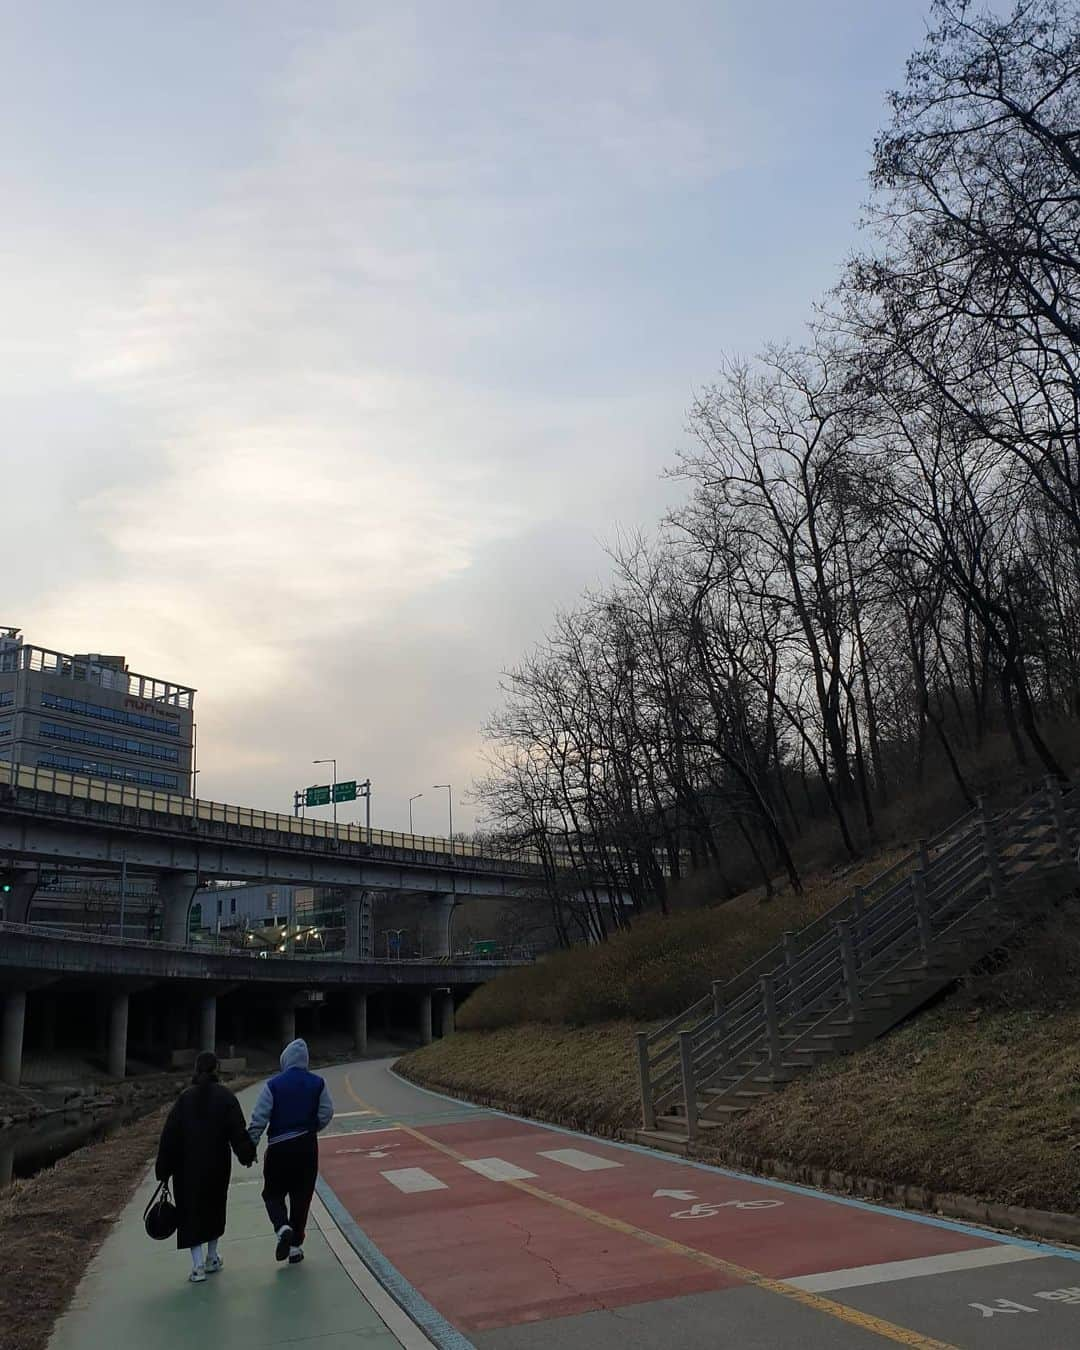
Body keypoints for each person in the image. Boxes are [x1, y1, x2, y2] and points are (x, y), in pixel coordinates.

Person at [155, 1050, 256, 1284]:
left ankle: (197, 1265)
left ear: (196, 1070)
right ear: (216, 1070)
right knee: (214, 1209)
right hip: (217, 1164)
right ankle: (212, 1257)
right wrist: (247, 1155)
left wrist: (163, 1170)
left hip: (186, 1168)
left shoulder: (184, 1100)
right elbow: (238, 1133)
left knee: (190, 1213)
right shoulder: (226, 1097)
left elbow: (169, 1137)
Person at [248, 1038, 335, 1265]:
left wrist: (250, 1145)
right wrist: (313, 1127)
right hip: (306, 1147)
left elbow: (259, 1117)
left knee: (272, 1194)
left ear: (284, 1060)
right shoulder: (318, 1083)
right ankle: (295, 1246)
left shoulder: (273, 1085)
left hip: (278, 1147)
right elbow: (327, 1112)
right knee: (301, 1196)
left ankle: (281, 1227)